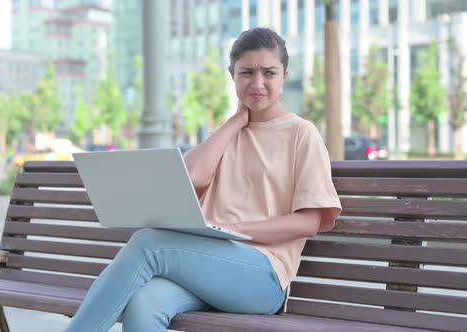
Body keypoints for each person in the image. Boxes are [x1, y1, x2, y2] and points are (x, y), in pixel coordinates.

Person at [64, 27, 341, 332]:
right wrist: (235, 122)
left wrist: (235, 230)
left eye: (269, 73)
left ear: (284, 75)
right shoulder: (227, 135)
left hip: (263, 276)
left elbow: (309, 222)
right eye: (247, 72)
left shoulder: (302, 134)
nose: (258, 82)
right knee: (144, 304)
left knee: (149, 243)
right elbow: (192, 177)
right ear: (232, 75)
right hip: (206, 266)